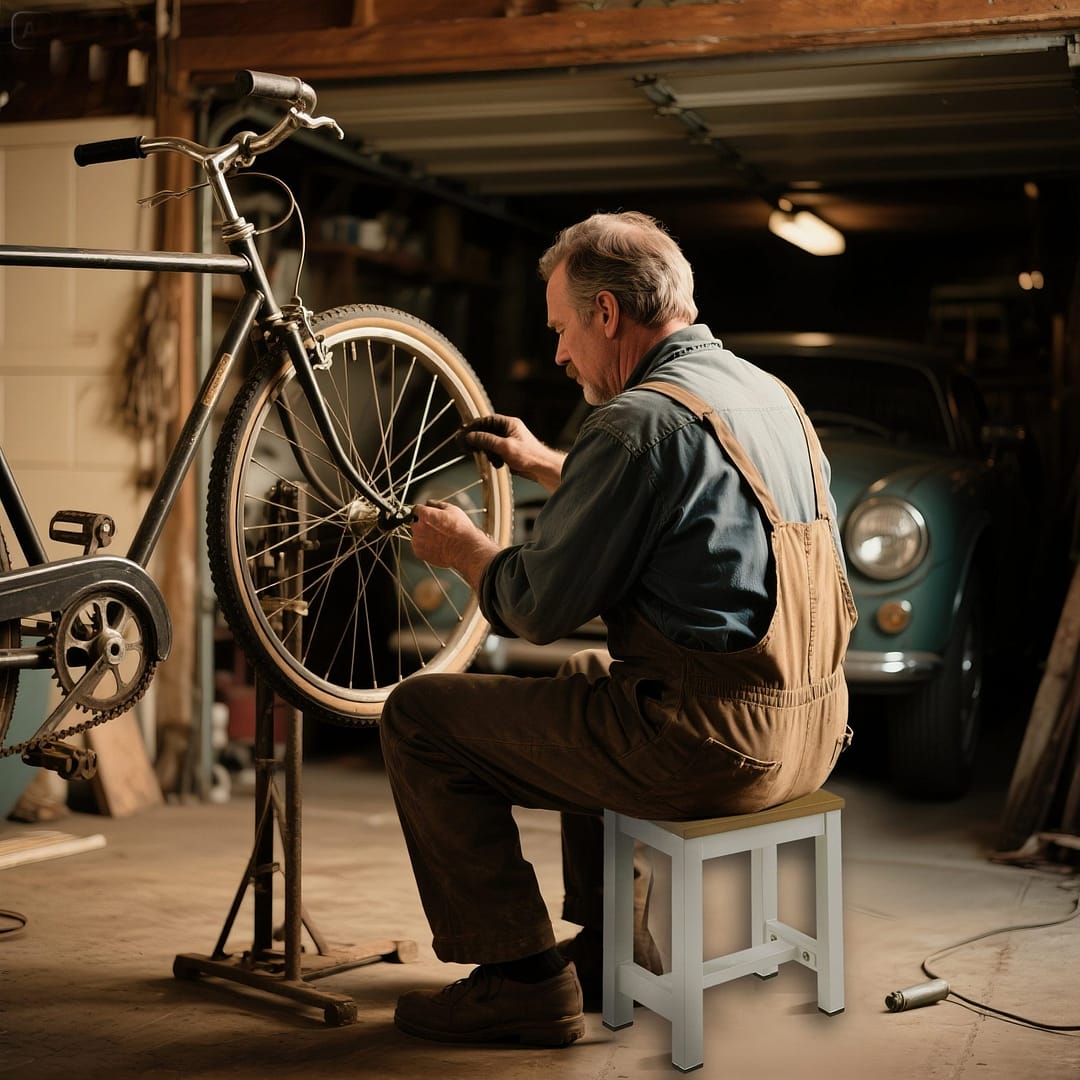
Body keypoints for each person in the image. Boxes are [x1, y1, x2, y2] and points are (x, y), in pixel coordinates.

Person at [379, 210, 856, 1048]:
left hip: (713, 748)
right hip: (814, 728)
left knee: (419, 716)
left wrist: (466, 550)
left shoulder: (633, 424)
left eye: (563, 329)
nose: (560, 353)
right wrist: (548, 463)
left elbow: (534, 605)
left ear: (608, 315)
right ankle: (612, 957)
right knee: (587, 681)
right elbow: (685, 500)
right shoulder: (762, 394)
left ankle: (520, 979)